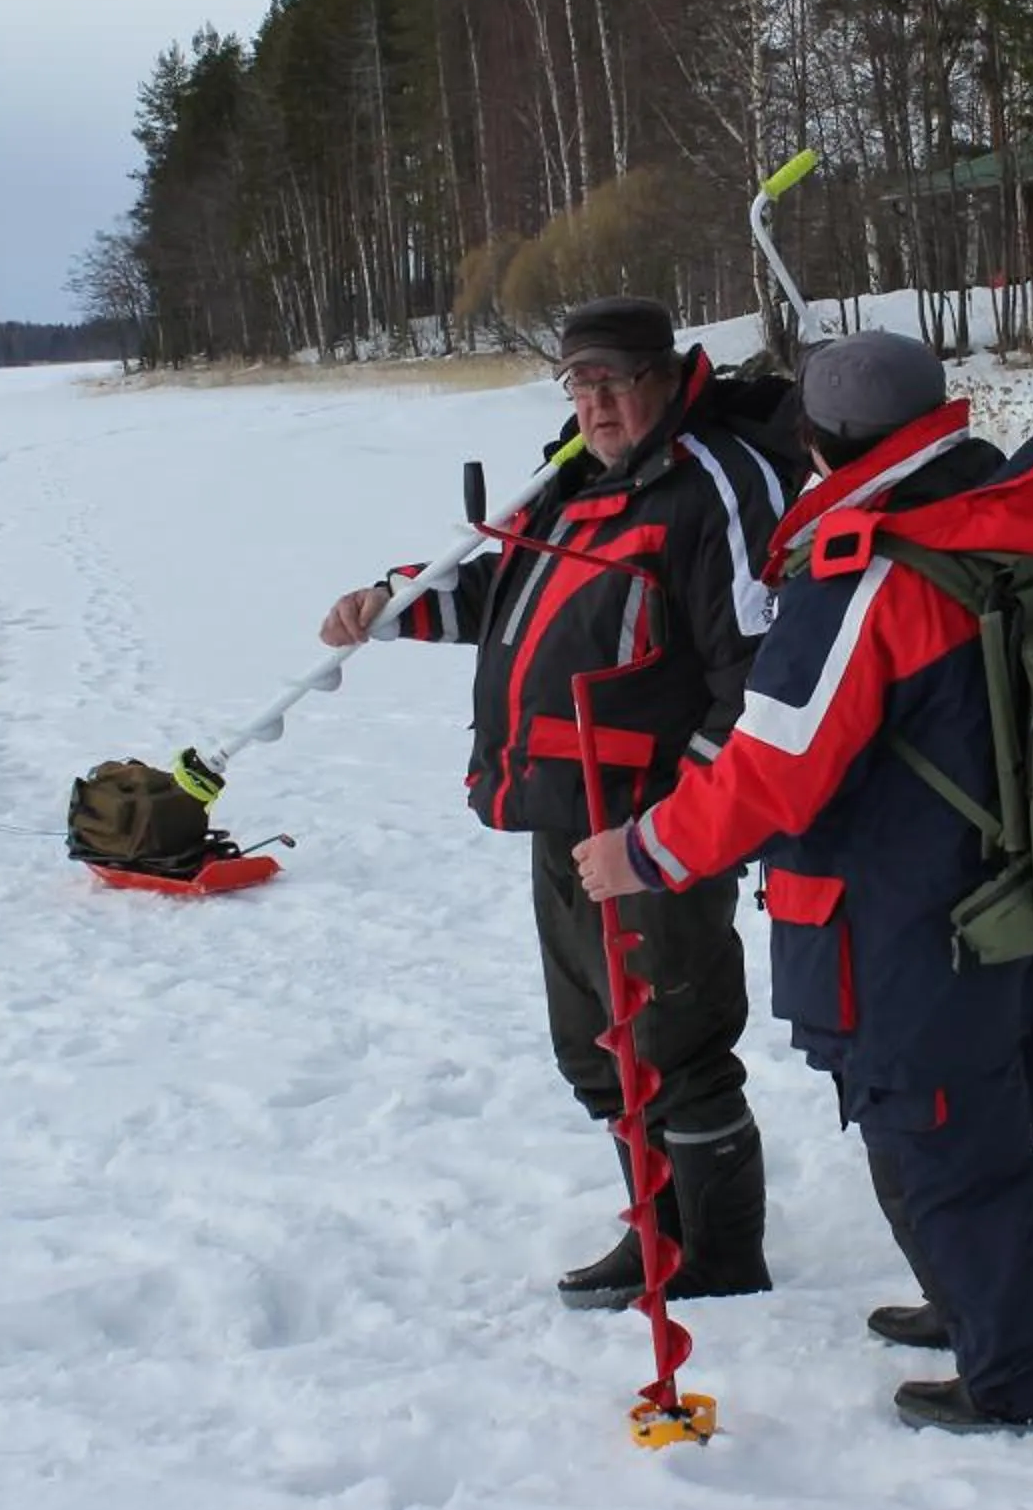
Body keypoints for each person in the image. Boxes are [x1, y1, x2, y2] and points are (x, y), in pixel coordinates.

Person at [572, 330, 1033, 1433]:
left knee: (940, 1130)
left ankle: (1021, 1372)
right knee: (984, 1121)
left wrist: (646, 850)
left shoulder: (873, 567)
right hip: (1031, 885)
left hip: (912, 914)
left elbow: (772, 768)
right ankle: (974, 1301)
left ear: (814, 439)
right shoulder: (1006, 513)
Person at [318, 296, 793, 1308]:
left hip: (658, 823)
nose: (597, 401)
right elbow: (509, 591)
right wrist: (393, 604)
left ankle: (719, 1257)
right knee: (595, 1045)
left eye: (616, 379)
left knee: (674, 1039)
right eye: (580, 382)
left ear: (666, 375)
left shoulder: (717, 483)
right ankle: (654, 1230)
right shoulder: (571, 477)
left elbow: (756, 674)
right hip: (562, 807)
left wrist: (668, 826)